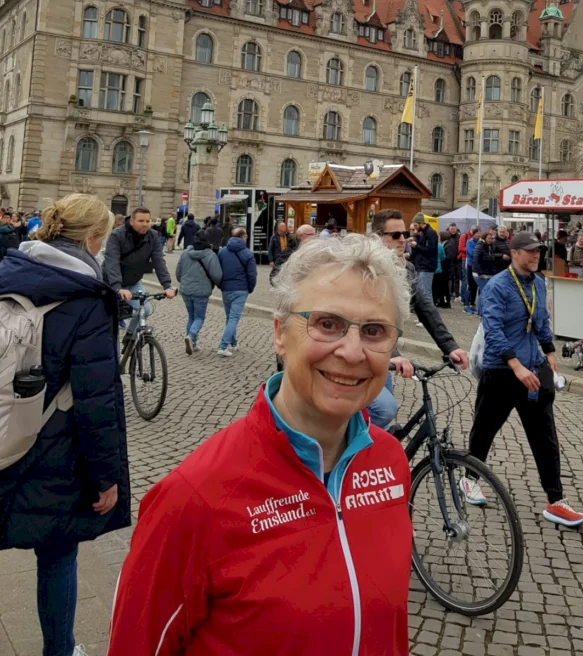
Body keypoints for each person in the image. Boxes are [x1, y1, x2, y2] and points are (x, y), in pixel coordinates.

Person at [107, 234, 413, 655]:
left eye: (374, 330)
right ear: (279, 334)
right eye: (327, 324)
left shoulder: (390, 460)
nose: (352, 351)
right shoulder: (194, 498)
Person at [0, 194, 130, 656]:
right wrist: (106, 477)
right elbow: (97, 402)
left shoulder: (8, 270)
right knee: (56, 555)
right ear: (94, 240)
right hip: (53, 447)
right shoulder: (87, 298)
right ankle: (60, 650)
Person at [465, 231, 583, 527]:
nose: (536, 256)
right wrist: (515, 365)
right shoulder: (497, 286)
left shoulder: (540, 284)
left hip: (535, 367)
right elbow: (493, 330)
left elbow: (542, 321)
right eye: (530, 251)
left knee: (545, 436)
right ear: (515, 252)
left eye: (538, 251)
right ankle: (469, 478)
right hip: (502, 370)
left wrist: (549, 352)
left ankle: (555, 500)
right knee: (485, 428)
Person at [371, 209, 469, 427]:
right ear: (377, 238)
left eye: (404, 233)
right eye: (395, 235)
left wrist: (450, 346)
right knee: (383, 410)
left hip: (384, 355)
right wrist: (394, 355)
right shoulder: (366, 270)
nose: (402, 240)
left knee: (381, 427)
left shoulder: (405, 268)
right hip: (361, 354)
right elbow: (367, 321)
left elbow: (426, 308)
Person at [103, 207, 175, 336]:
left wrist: (167, 285)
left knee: (145, 309)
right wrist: (118, 287)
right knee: (109, 320)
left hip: (133, 282)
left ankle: (130, 336)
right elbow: (112, 262)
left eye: (148, 221)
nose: (145, 224)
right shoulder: (117, 235)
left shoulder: (153, 236)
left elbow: (159, 261)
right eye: (141, 221)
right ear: (131, 221)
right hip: (110, 283)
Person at [176, 230, 223, 353]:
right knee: (199, 317)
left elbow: (178, 273)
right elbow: (217, 275)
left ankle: (193, 343)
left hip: (186, 290)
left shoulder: (185, 252)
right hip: (201, 291)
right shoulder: (210, 255)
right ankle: (191, 336)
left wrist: (184, 281)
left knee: (191, 317)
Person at [215, 227, 257, 356]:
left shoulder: (222, 252)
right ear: (243, 237)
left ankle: (233, 343)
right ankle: (222, 346)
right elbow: (252, 275)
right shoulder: (248, 254)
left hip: (226, 288)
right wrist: (250, 288)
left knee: (229, 317)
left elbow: (217, 270)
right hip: (240, 288)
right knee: (234, 317)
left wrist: (220, 285)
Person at [409, 213, 438, 297]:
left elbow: (430, 250)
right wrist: (415, 238)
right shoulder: (424, 233)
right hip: (422, 265)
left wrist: (416, 246)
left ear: (421, 223)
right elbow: (423, 244)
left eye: (415, 225)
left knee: (426, 293)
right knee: (422, 292)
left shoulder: (430, 233)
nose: (414, 227)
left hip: (427, 266)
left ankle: (429, 310)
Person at [472, 229, 497, 300]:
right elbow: (475, 260)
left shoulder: (490, 247)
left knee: (484, 292)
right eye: (488, 238)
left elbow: (492, 259)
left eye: (491, 238)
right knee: (485, 291)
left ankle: (482, 308)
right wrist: (480, 273)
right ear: (484, 238)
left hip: (488, 272)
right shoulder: (479, 246)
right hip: (480, 273)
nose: (490, 240)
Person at [432, 231, 451, 308]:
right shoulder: (440, 246)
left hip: (430, 269)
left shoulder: (428, 245)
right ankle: (440, 301)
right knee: (439, 287)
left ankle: (434, 301)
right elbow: (443, 258)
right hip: (439, 269)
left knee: (433, 287)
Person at [443, 222, 460, 300]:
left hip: (457, 260)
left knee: (457, 277)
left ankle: (456, 293)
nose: (453, 230)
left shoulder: (459, 237)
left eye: (454, 229)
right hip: (448, 260)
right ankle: (448, 293)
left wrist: (459, 256)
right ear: (449, 229)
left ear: (456, 229)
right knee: (449, 277)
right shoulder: (446, 236)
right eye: (451, 229)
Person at [465, 227, 481, 312]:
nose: (478, 234)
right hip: (471, 265)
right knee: (471, 285)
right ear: (473, 234)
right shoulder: (469, 242)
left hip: (479, 266)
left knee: (478, 285)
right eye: (477, 233)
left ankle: (475, 303)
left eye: (479, 232)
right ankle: (468, 303)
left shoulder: (481, 242)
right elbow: (472, 253)